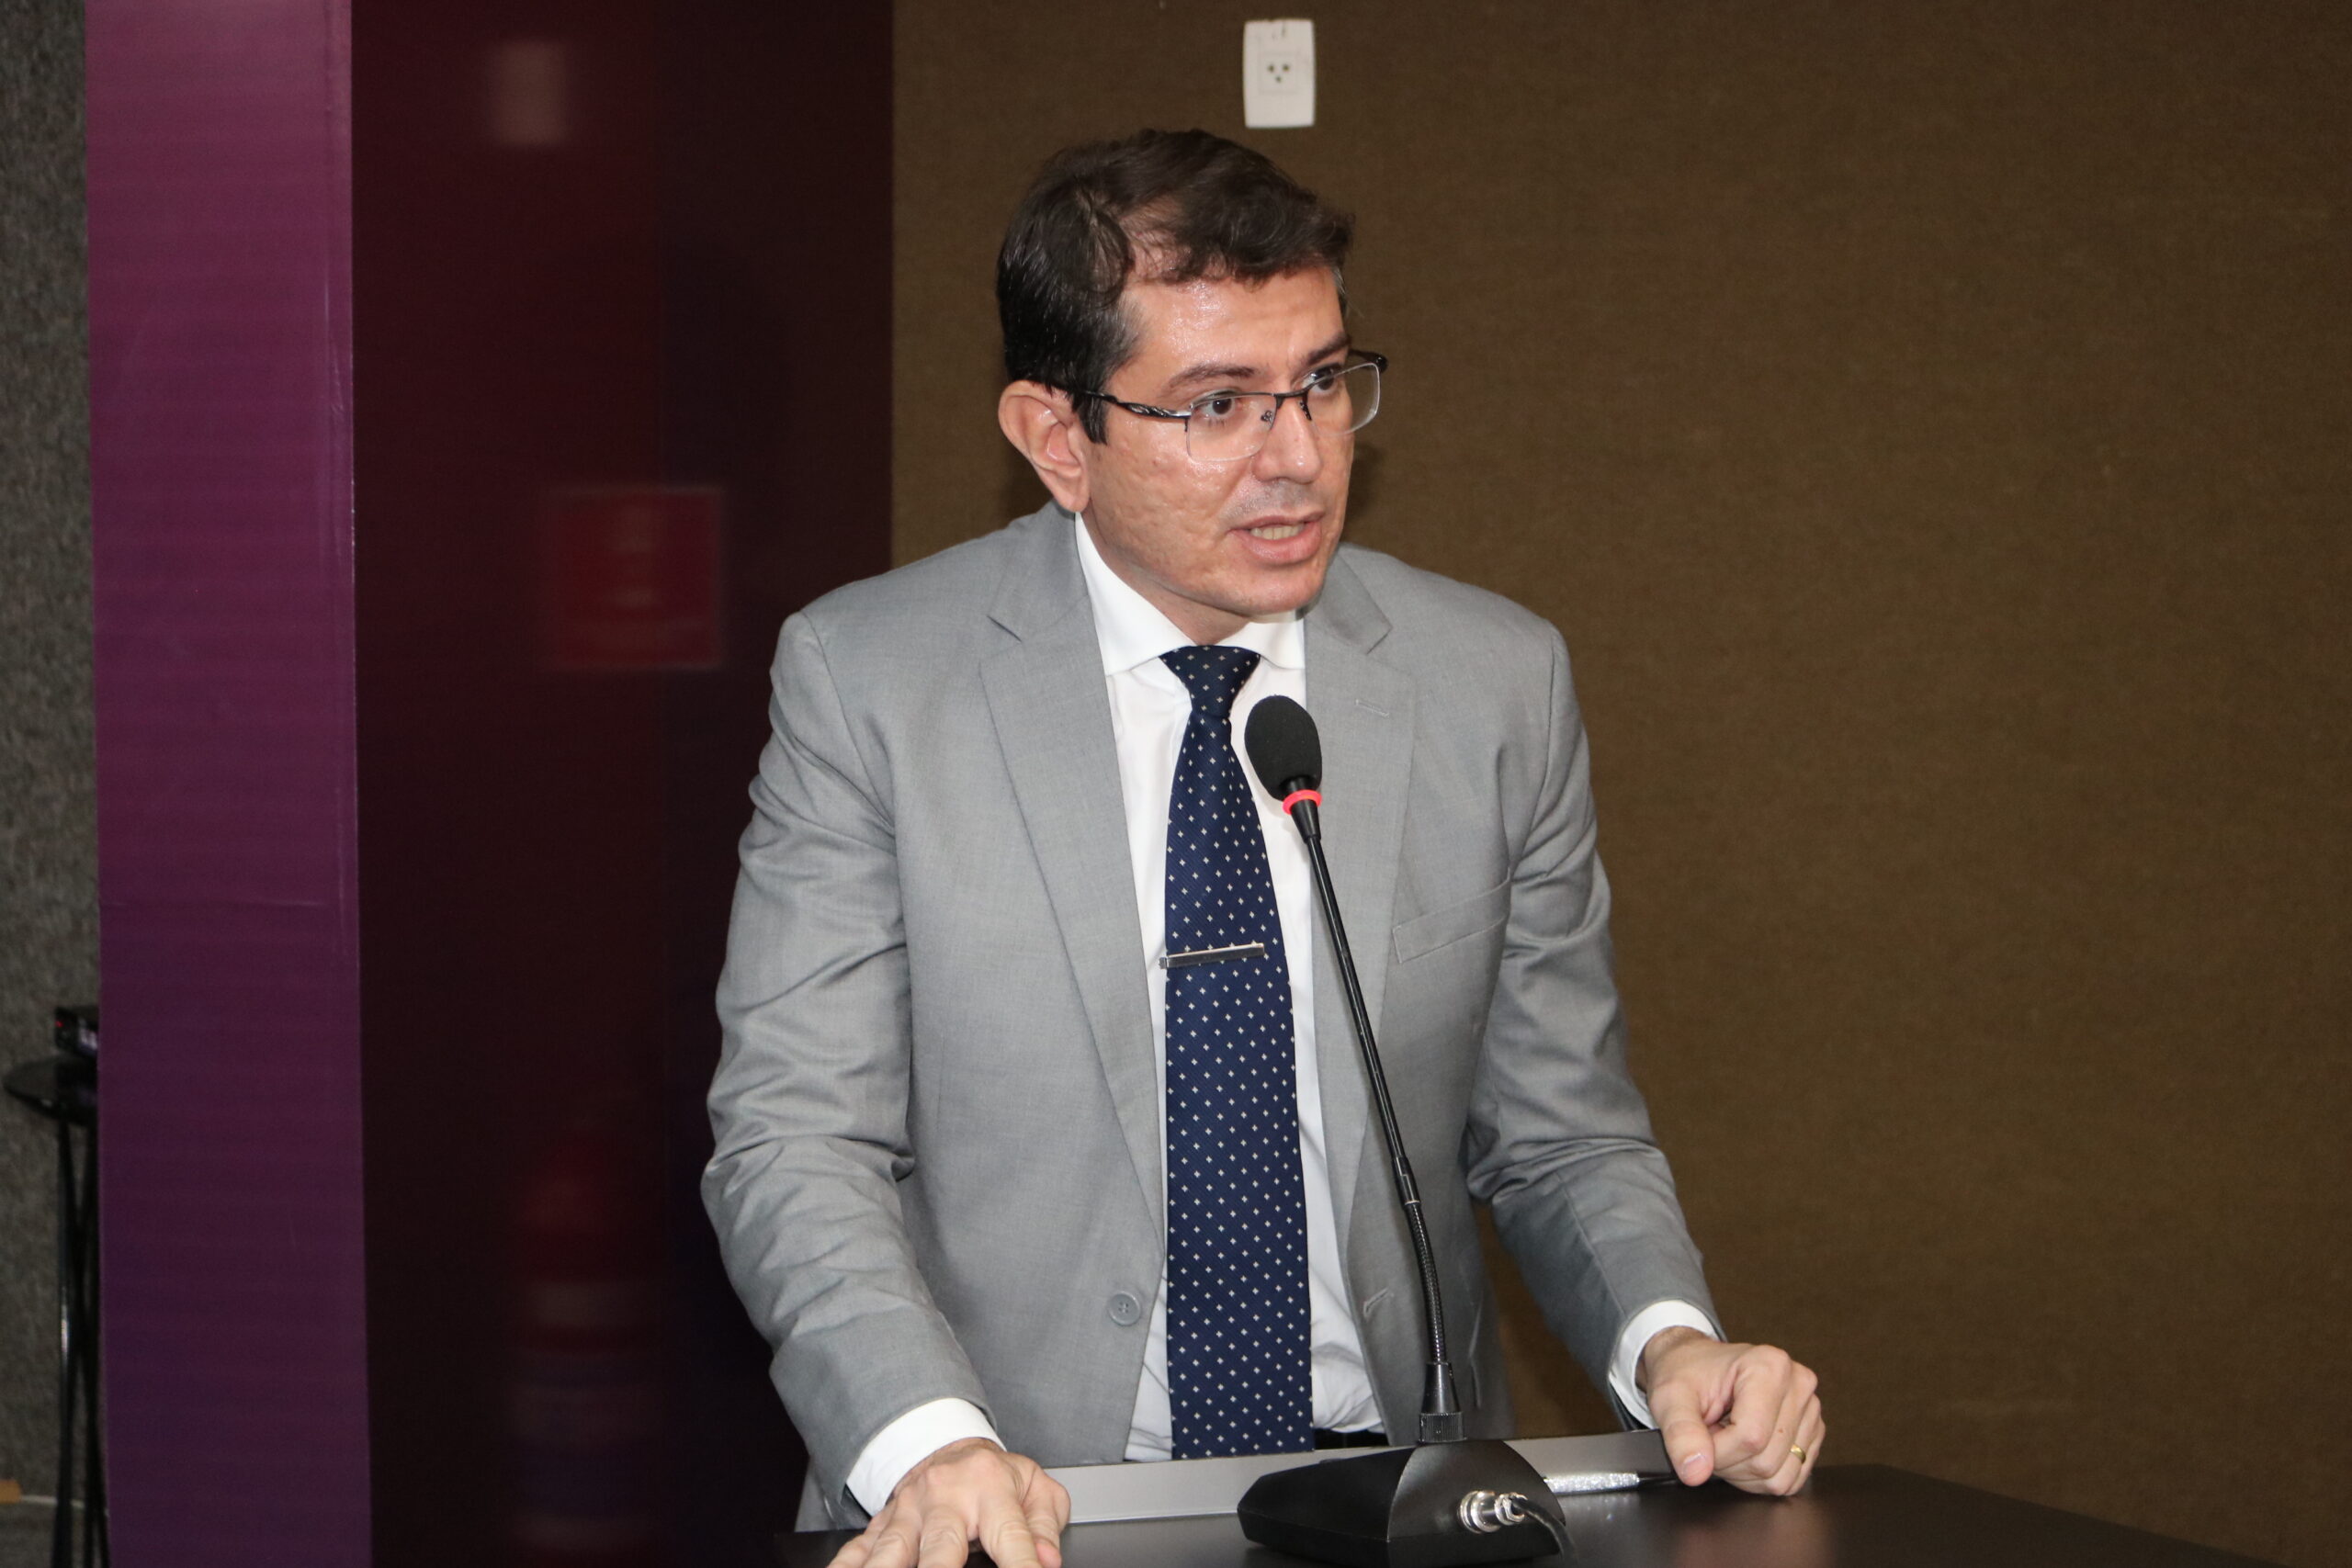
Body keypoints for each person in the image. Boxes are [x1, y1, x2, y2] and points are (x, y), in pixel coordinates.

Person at [704, 130, 1824, 1568]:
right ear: (1057, 439)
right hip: (1010, 1500)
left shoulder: (1494, 683)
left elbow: (1559, 1130)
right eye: (1218, 404)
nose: (1298, 457)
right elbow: (798, 1138)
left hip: (1396, 1502)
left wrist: (1672, 1343)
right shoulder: (871, 681)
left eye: (1323, 384)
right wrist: (929, 1441)